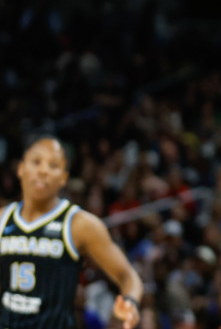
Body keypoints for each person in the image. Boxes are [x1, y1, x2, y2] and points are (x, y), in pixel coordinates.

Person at [1, 137, 143, 329]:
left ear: (64, 177)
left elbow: (128, 276)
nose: (43, 171)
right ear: (21, 168)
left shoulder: (79, 224)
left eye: (53, 165)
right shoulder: (3, 218)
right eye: (36, 162)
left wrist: (130, 302)